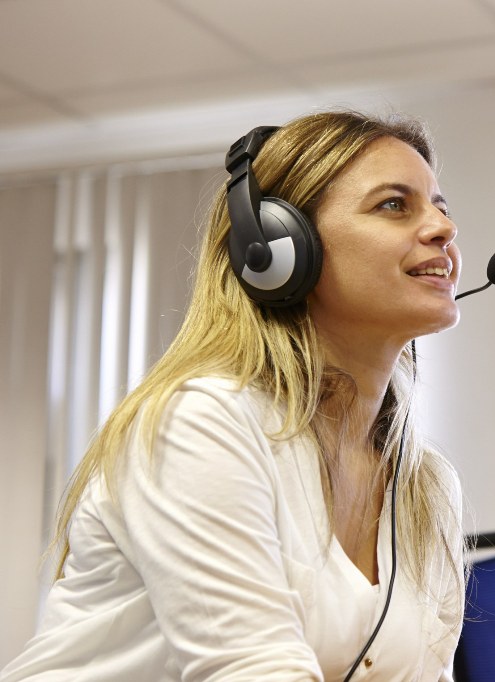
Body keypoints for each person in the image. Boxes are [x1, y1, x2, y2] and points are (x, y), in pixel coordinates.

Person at [1, 111, 467, 681]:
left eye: (440, 206)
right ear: (278, 247)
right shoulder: (202, 423)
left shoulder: (424, 486)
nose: (443, 228)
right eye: (394, 205)